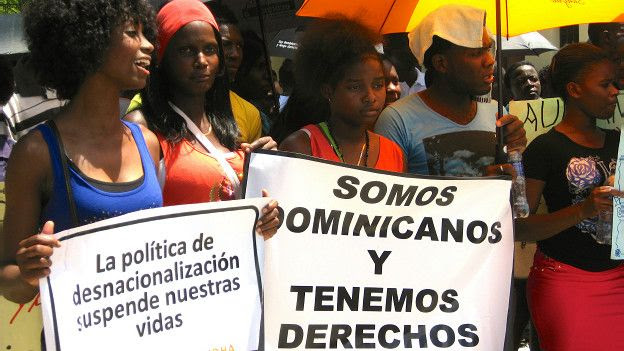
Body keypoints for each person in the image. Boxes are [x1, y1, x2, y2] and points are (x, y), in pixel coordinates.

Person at [1, 0, 162, 304]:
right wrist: (29, 274)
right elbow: (7, 278)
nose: (149, 45)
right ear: (90, 39)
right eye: (132, 33)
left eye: (146, 33)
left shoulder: (148, 143)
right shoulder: (36, 152)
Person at [126, 0, 279, 236]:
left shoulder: (227, 124)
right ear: (162, 58)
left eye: (210, 50)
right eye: (186, 51)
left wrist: (264, 169)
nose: (201, 61)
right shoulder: (142, 126)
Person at [516, 43, 624, 350]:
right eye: (605, 84)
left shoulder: (619, 142)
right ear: (574, 89)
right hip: (565, 281)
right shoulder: (545, 149)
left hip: (619, 278)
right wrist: (584, 209)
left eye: (615, 83)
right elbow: (520, 227)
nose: (614, 91)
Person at [375, 4, 526, 177]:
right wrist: (478, 185)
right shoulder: (397, 120)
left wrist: (515, 152)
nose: (490, 61)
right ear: (441, 63)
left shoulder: (497, 113)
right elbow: (389, 196)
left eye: (488, 49)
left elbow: (514, 189)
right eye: (476, 53)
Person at [279, 17, 404, 172]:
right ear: (328, 91)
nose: (370, 97)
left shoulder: (393, 152)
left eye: (378, 85)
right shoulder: (301, 147)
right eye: (355, 87)